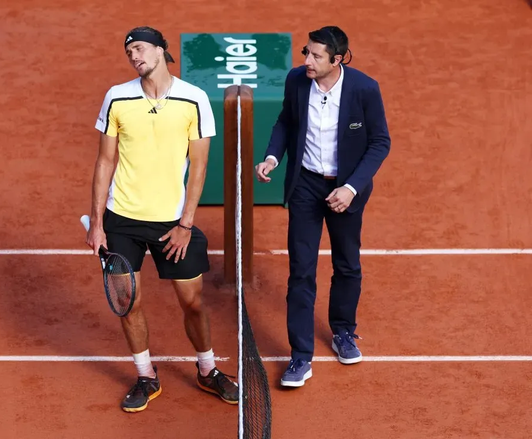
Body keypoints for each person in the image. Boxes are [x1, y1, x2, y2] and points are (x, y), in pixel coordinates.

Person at [86, 26, 238, 412]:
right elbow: (105, 161)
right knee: (128, 301)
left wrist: (185, 224)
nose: (134, 57)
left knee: (193, 302)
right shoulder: (117, 97)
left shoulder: (194, 99)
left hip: (171, 223)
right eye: (129, 53)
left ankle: (207, 370)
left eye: (139, 48)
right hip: (122, 219)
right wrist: (99, 223)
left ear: (161, 50)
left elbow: (199, 166)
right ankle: (145, 375)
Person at [255, 26, 391, 387]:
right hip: (306, 184)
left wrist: (351, 188)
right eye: (306, 53)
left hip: (346, 188)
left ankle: (343, 331)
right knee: (301, 270)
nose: (307, 61)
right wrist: (272, 157)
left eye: (316, 56)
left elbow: (380, 142)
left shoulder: (364, 88)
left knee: (347, 264)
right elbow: (286, 121)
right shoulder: (297, 81)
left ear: (337, 59)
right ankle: (300, 356)